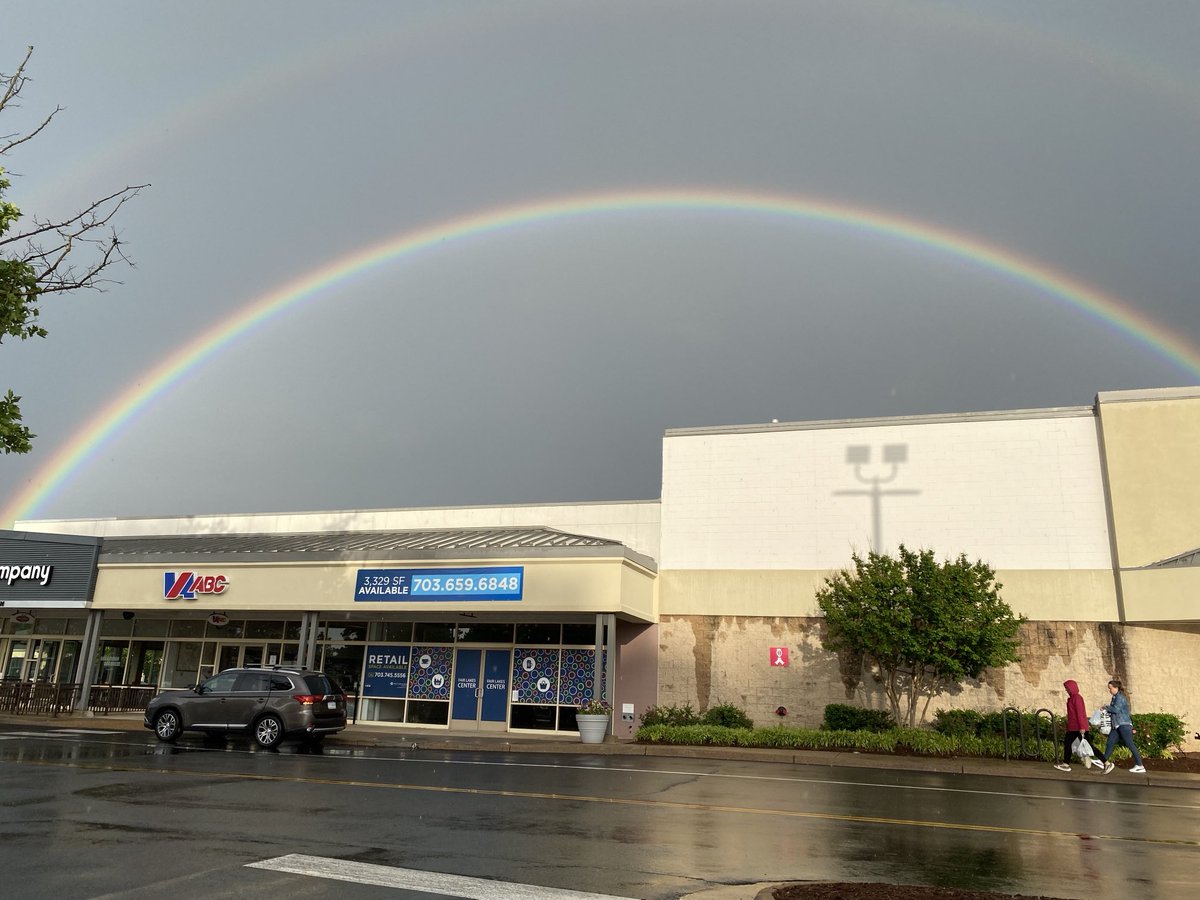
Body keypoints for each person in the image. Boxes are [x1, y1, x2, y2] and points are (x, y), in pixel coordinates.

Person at [1095, 678, 1146, 775]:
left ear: (1116, 688)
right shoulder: (1115, 697)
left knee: (1130, 744)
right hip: (1117, 725)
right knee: (1110, 743)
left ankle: (1140, 765)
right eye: (1109, 688)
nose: (1109, 690)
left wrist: (1106, 707)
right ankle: (1103, 761)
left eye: (1110, 688)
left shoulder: (1120, 697)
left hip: (1124, 724)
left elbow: (1116, 710)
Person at [1054, 679, 1093, 772]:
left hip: (1078, 727)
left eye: (1067, 688)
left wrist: (1082, 727)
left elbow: (1080, 713)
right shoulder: (1072, 698)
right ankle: (1066, 764)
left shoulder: (1077, 698)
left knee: (1090, 746)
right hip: (1073, 727)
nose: (1066, 690)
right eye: (1066, 688)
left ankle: (1106, 762)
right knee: (1067, 743)